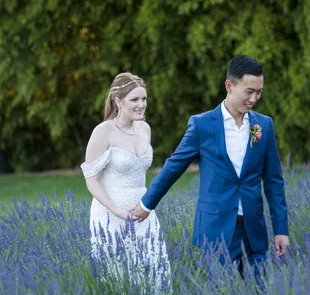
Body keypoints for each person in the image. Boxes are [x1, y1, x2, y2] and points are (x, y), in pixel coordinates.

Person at [133, 55, 289, 281]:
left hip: (254, 230)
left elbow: (274, 181)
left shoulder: (263, 125)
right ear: (229, 86)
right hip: (216, 232)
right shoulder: (202, 125)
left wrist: (281, 229)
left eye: (259, 92)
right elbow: (174, 166)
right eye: (249, 91)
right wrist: (146, 203)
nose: (254, 98)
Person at [80, 72, 170, 291]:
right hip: (111, 214)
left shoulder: (144, 128)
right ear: (118, 101)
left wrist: (145, 204)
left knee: (155, 270)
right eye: (135, 100)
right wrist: (117, 210)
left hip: (143, 210)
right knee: (119, 276)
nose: (141, 105)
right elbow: (92, 180)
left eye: (144, 99)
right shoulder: (103, 131)